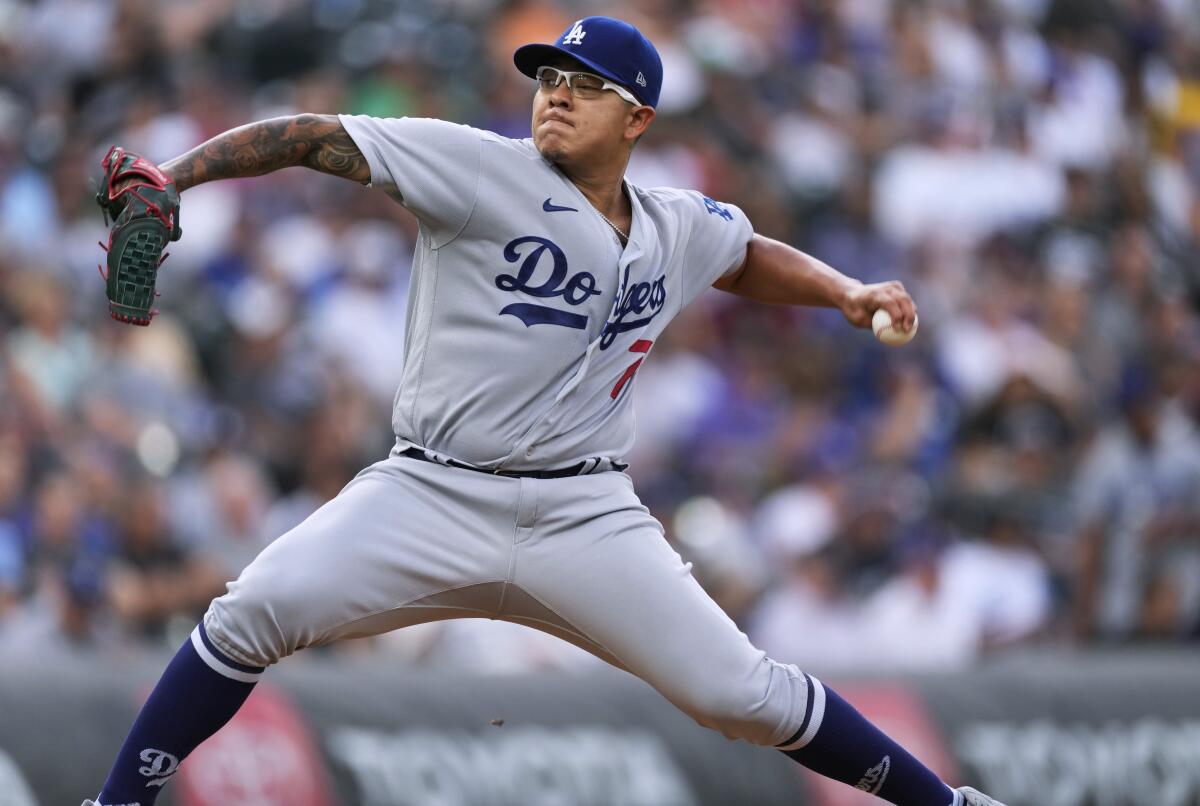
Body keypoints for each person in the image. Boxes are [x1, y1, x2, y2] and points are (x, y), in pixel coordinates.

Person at [86, 17, 1004, 806]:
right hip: (431, 492)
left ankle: (946, 801)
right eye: (549, 79)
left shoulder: (673, 221)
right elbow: (313, 135)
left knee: (745, 696)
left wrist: (844, 291)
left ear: (638, 117)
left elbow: (742, 251)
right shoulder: (478, 168)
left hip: (586, 514)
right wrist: (178, 174)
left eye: (587, 86)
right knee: (253, 612)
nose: (557, 96)